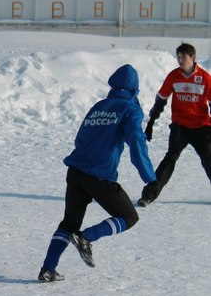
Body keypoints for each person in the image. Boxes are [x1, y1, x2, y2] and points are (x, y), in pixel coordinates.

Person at [38, 64, 156, 282]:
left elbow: (81, 137)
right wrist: (149, 177)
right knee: (129, 216)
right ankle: (86, 238)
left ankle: (47, 269)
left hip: (76, 170)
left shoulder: (99, 106)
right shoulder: (130, 109)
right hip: (99, 175)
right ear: (135, 89)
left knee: (69, 222)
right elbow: (137, 142)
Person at [138, 43, 211, 207]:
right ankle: (148, 195)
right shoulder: (173, 76)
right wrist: (151, 122)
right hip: (180, 127)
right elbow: (161, 100)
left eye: (183, 57)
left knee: (208, 160)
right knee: (170, 158)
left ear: (192, 57)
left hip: (202, 128)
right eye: (178, 56)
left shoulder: (205, 78)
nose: (179, 60)